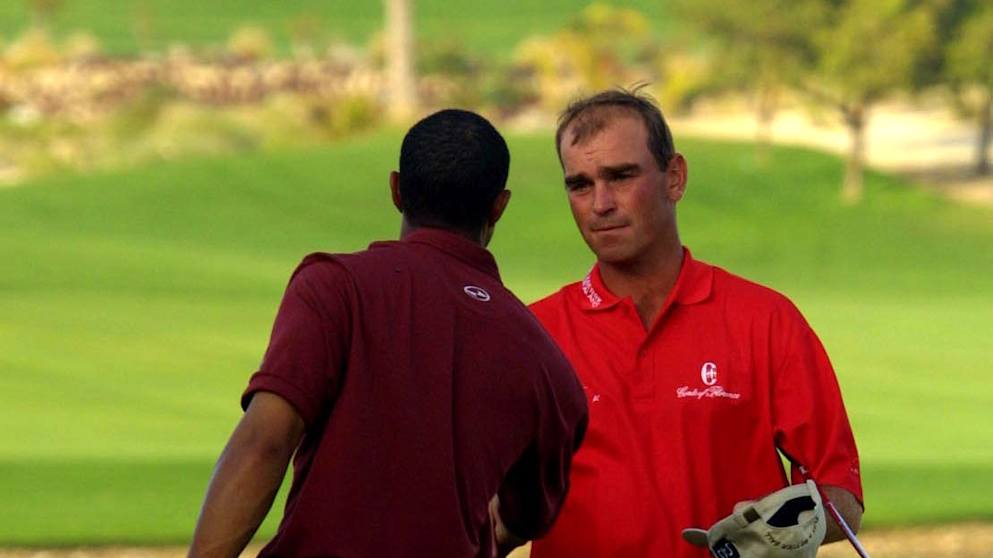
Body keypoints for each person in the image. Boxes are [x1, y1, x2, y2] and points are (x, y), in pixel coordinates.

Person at [188, 109, 588, 558]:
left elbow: (265, 442)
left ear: (397, 190)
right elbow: (524, 517)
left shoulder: (335, 285)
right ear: (500, 205)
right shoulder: (547, 363)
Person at [527, 89, 864, 558]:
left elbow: (838, 493)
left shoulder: (765, 319)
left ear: (675, 177)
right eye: (579, 184)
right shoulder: (533, 334)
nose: (600, 203)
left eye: (621, 176)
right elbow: (484, 507)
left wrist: (790, 530)